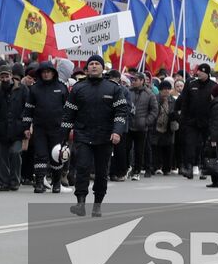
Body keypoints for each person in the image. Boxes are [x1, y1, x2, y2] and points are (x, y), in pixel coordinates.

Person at [63, 55, 129, 217]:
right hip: (83, 135)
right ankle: (80, 203)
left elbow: (121, 112)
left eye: (96, 64)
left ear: (102, 68)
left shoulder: (114, 88)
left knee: (101, 172)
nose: (93, 66)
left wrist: (117, 131)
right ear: (86, 68)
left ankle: (97, 204)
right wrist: (63, 137)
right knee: (83, 168)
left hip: (105, 137)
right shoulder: (78, 88)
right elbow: (68, 114)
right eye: (91, 64)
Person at [23, 62, 67, 193]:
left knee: (56, 156)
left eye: (49, 71)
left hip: (57, 129)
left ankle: (56, 182)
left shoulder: (62, 88)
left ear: (53, 72)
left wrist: (69, 127)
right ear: (40, 73)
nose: (46, 74)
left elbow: (69, 110)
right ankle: (39, 182)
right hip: (40, 128)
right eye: (44, 72)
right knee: (40, 155)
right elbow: (28, 109)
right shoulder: (34, 89)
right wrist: (26, 127)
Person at [0, 64, 27, 191]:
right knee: (2, 156)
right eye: (2, 76)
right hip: (2, 129)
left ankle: (15, 180)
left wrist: (25, 124)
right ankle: (4, 182)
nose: (4, 79)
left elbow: (26, 108)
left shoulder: (22, 89)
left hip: (17, 128)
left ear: (11, 76)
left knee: (15, 153)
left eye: (7, 76)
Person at [176, 64, 215, 179]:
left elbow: (217, 105)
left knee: (205, 147)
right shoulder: (191, 85)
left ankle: (204, 169)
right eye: (198, 71)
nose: (199, 73)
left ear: (207, 73)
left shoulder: (214, 86)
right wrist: (183, 118)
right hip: (191, 121)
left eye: (202, 72)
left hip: (206, 122)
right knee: (190, 145)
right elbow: (184, 103)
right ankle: (189, 168)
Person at [123, 72, 155, 179]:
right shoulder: (128, 92)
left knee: (139, 150)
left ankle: (137, 170)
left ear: (142, 81)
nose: (133, 82)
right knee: (126, 148)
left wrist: (146, 121)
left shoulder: (149, 94)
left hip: (141, 127)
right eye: (133, 80)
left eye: (136, 80)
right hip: (129, 125)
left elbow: (154, 110)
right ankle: (127, 168)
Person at [150, 80, 177, 175]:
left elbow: (175, 111)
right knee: (155, 147)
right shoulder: (155, 98)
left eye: (168, 89)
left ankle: (167, 168)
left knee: (168, 148)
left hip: (168, 126)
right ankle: (156, 167)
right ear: (160, 90)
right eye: (164, 89)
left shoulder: (173, 100)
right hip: (156, 126)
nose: (166, 91)